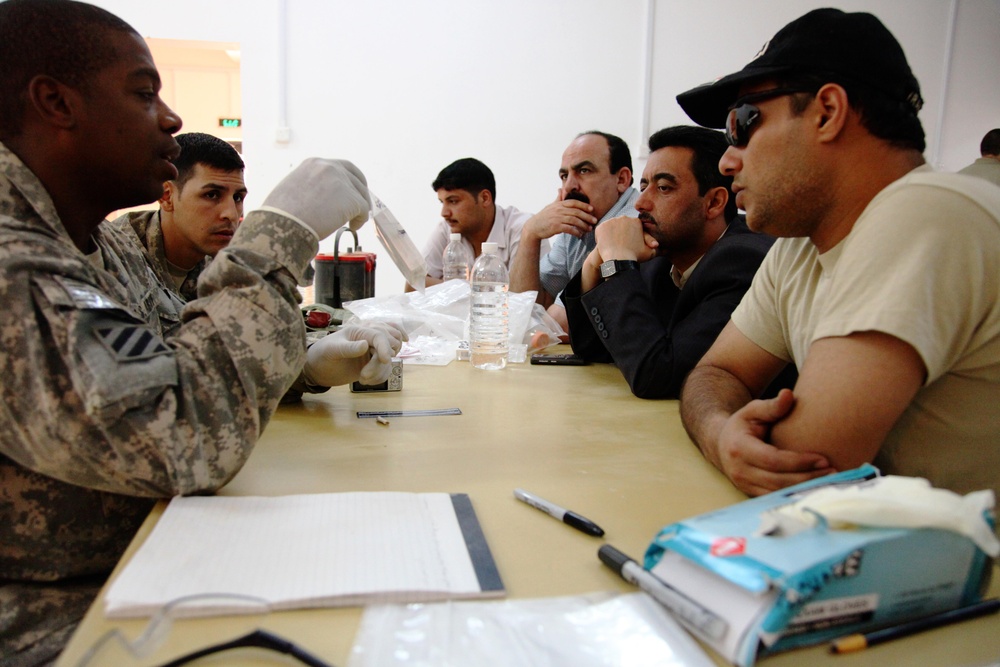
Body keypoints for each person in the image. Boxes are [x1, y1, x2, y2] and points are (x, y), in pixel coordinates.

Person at [0, 1, 401, 663]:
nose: (171, 118)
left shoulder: (94, 241)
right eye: (143, 92)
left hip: (150, 561)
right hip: (60, 616)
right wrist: (276, 238)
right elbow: (181, 436)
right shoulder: (13, 264)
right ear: (54, 103)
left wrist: (304, 364)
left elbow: (177, 354)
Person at [673, 8, 1000, 500]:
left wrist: (727, 437)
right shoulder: (800, 247)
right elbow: (716, 372)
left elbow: (804, 461)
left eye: (742, 124)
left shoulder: (927, 212)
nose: (725, 160)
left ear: (828, 112)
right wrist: (720, 433)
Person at [562, 125, 793, 399]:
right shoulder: (662, 256)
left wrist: (619, 261)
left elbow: (659, 377)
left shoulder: (742, 262)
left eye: (663, 188)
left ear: (714, 202)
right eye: (644, 186)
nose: (640, 203)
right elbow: (594, 349)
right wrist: (593, 263)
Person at [509, 131, 639, 331]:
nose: (569, 185)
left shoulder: (635, 220)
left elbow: (557, 324)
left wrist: (545, 316)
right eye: (564, 175)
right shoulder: (576, 223)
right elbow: (524, 308)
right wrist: (530, 234)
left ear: (621, 179)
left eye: (584, 170)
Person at [112, 132, 247, 304]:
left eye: (237, 198)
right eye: (212, 195)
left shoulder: (229, 267)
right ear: (167, 196)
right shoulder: (115, 259)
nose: (231, 214)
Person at [407, 158, 538, 291]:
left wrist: (450, 290)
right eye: (442, 202)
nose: (444, 213)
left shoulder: (524, 228)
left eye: (453, 201)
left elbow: (527, 299)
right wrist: (471, 289)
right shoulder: (448, 228)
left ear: (485, 198)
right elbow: (413, 285)